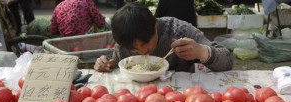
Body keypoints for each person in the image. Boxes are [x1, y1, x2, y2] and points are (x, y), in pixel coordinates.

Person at [94, 2, 233, 73]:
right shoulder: (125, 42)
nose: (143, 52)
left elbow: (228, 61)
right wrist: (106, 64)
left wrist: (202, 51)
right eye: (135, 49)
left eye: (145, 44)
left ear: (155, 26)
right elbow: (118, 68)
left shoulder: (179, 30)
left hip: (180, 100)